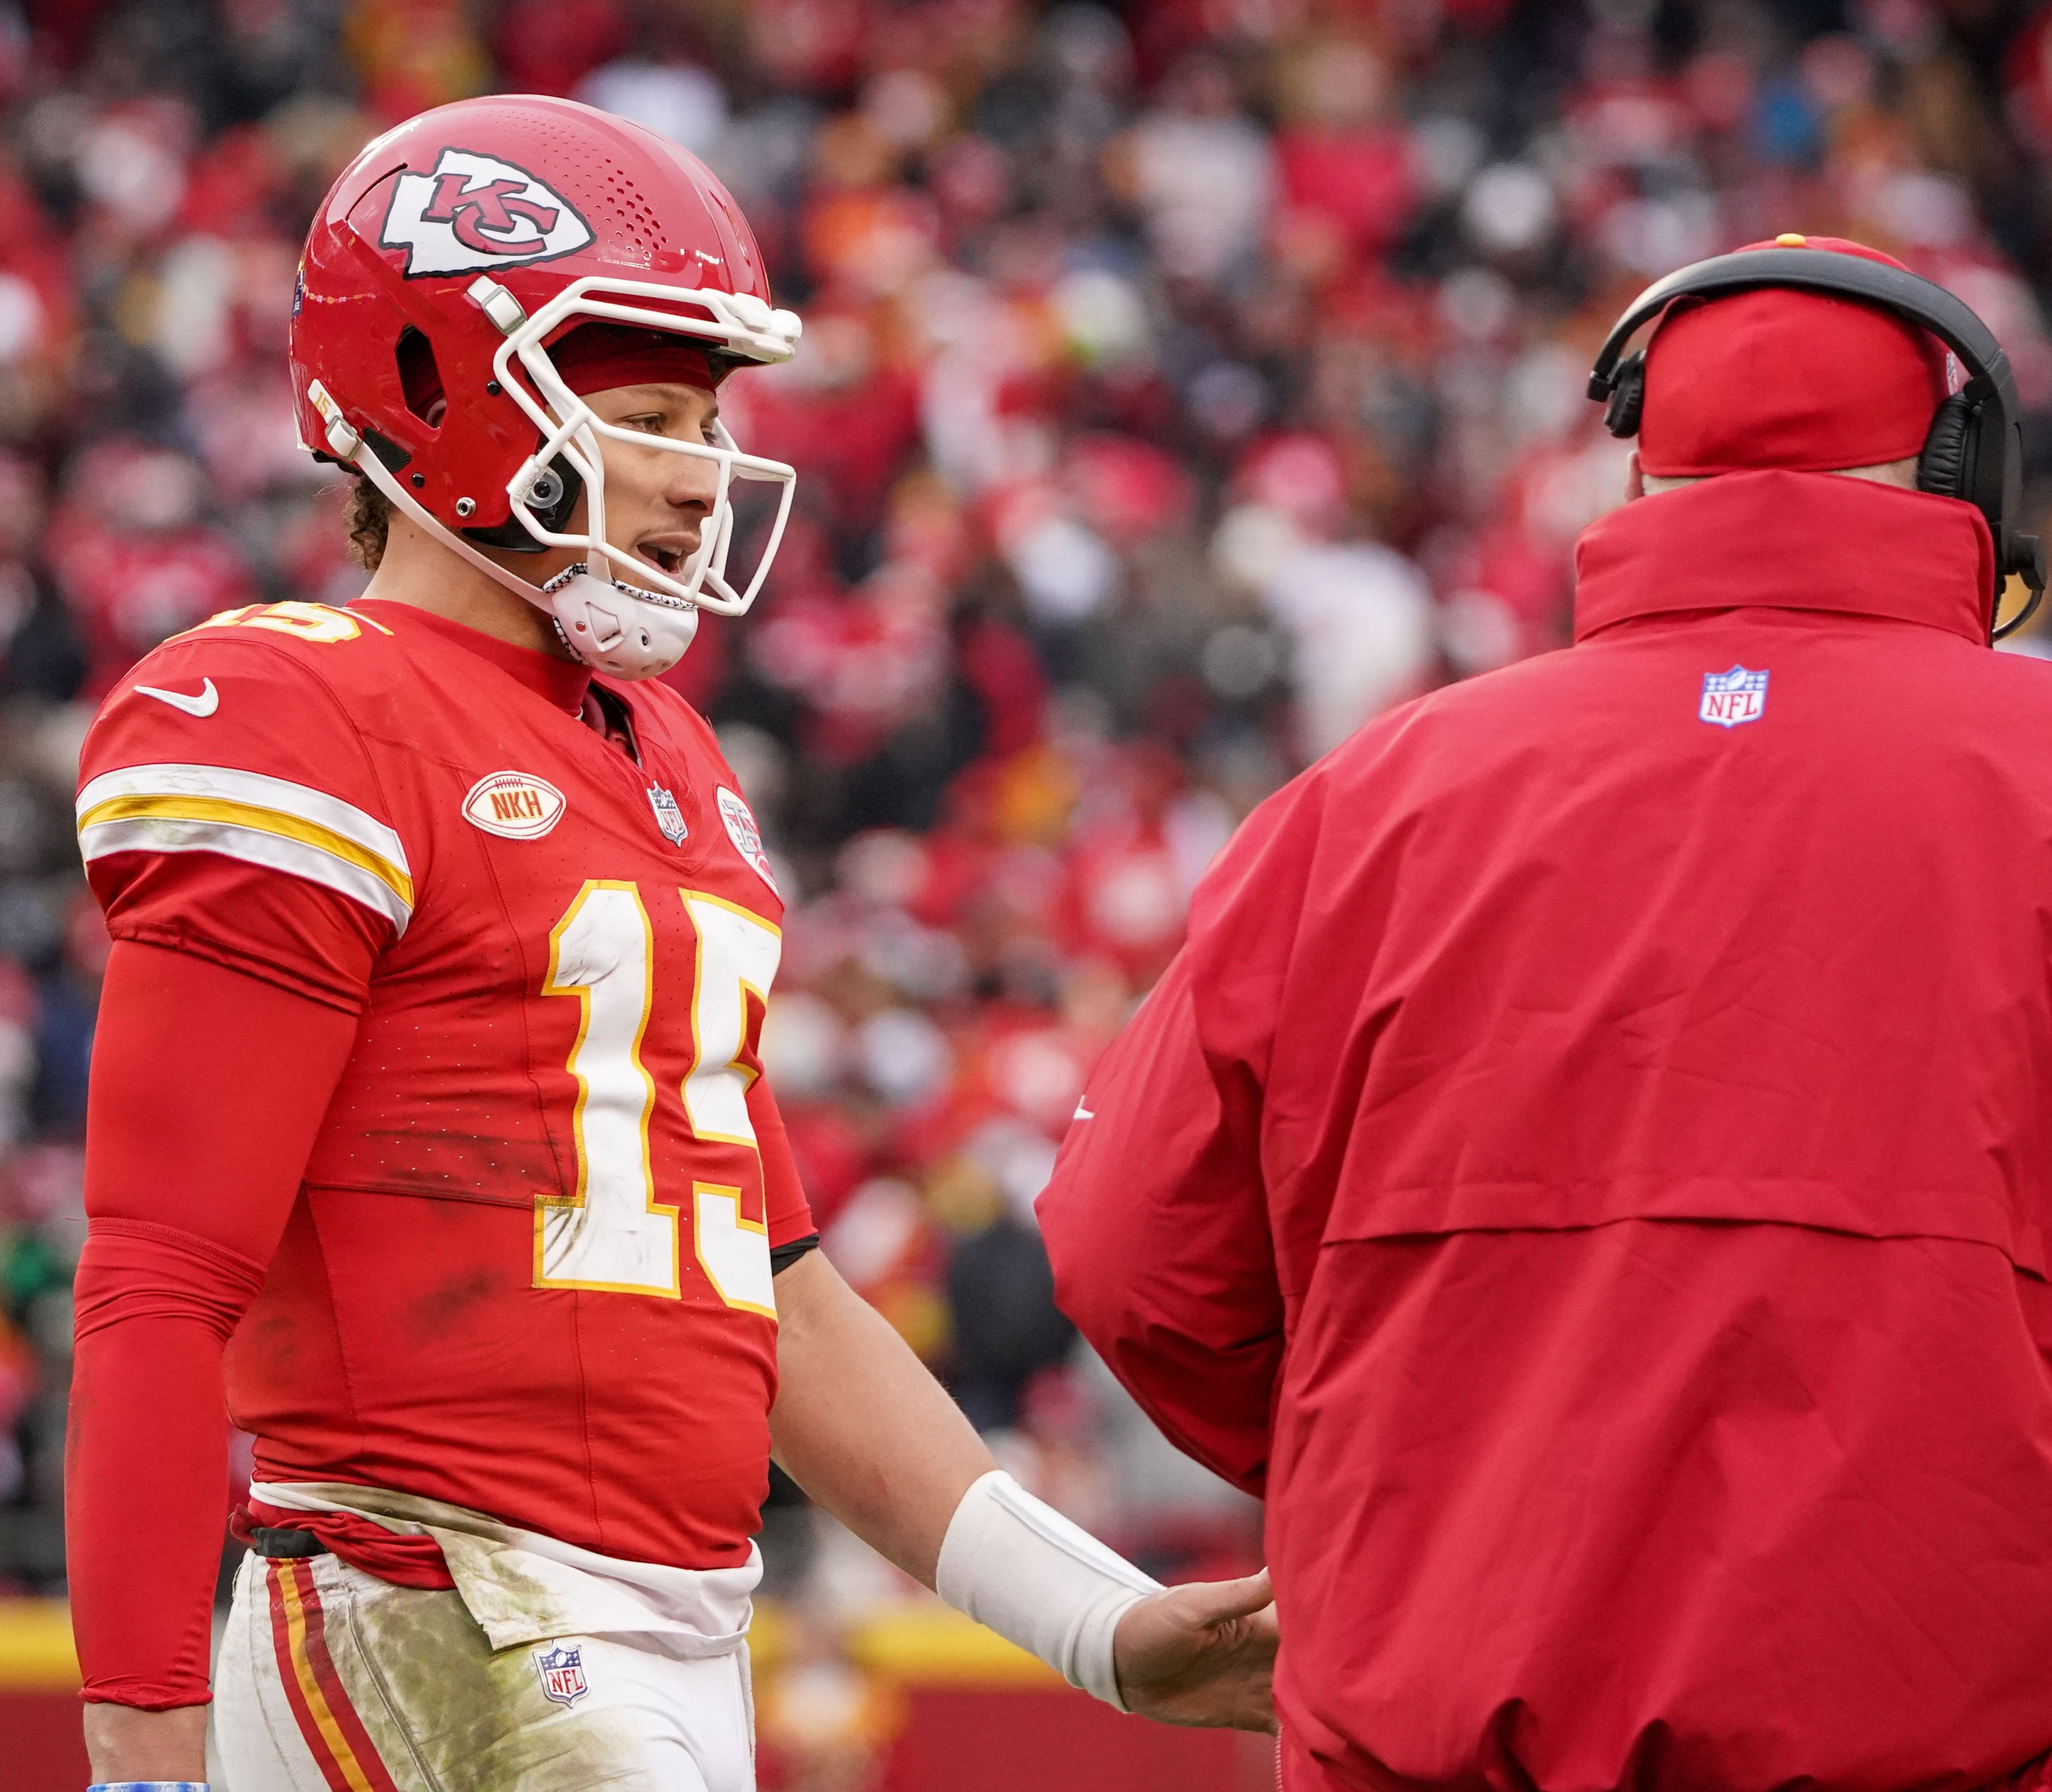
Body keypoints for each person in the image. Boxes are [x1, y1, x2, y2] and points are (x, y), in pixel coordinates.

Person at [1037, 236, 2052, 1792]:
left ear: (1636, 479)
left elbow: (1133, 1256)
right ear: (1959, 473)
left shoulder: (1363, 810)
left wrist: (1417, 1465)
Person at [65, 95, 1274, 1791]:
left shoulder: (669, 755)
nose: (696, 477)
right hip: (435, 1600)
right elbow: (157, 1277)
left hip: (673, 1627)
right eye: (641, 413)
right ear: (440, 394)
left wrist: (1100, 1628)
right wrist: (142, 1751)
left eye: (704, 421)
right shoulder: (293, 708)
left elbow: (767, 1285)